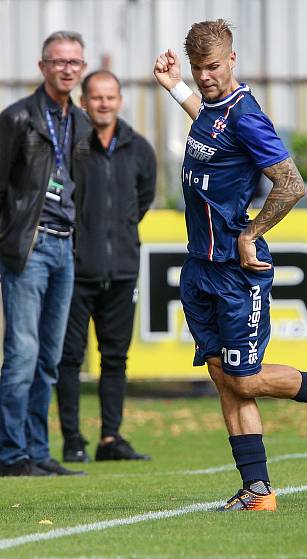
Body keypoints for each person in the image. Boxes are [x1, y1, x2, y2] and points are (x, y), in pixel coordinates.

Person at [153, 19, 307, 511]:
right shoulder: (213, 109)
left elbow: (291, 183)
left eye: (213, 67)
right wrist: (174, 85)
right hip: (199, 265)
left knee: (245, 378)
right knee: (223, 375)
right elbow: (206, 120)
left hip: (235, 269)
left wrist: (251, 233)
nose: (205, 76)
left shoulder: (247, 115)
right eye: (198, 69)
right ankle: (257, 490)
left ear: (233, 60)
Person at [0, 31, 91, 477]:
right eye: (58, 62)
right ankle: (10, 454)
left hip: (65, 245)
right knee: (21, 353)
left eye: (74, 62)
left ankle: (37, 451)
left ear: (83, 67)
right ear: (42, 67)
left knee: (49, 358)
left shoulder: (81, 121)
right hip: (30, 245)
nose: (67, 69)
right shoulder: (17, 118)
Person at [55, 70, 156, 464]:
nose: (103, 103)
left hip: (123, 270)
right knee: (69, 358)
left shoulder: (140, 149)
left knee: (115, 358)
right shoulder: (70, 146)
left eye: (110, 97)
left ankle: (110, 439)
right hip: (75, 270)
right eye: (96, 97)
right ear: (83, 101)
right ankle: (72, 439)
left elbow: (141, 200)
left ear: (120, 100)